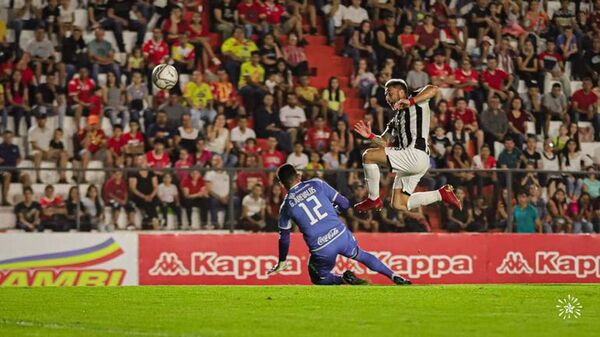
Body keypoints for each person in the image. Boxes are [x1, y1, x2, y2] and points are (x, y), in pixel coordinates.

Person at [268, 164, 412, 286]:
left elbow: (284, 238)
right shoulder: (317, 183)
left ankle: (343, 278)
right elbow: (345, 204)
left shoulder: (285, 207)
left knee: (318, 277)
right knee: (361, 254)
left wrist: (282, 261)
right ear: (298, 176)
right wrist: (334, 211)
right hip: (341, 235)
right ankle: (394, 276)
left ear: (281, 184)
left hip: (321, 247)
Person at [352, 79, 461, 213]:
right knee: (398, 204)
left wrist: (411, 101)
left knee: (368, 156)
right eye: (386, 95)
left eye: (389, 93)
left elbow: (434, 89)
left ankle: (373, 199)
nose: (387, 98)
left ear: (402, 92)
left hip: (415, 154)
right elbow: (385, 143)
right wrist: (370, 136)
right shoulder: (395, 119)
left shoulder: (417, 99)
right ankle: (441, 194)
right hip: (414, 159)